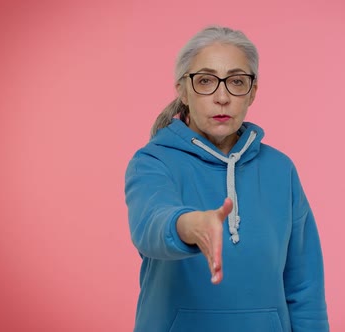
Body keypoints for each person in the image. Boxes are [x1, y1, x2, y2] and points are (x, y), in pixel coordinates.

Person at [124, 25, 329, 332]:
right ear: (182, 89)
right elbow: (150, 224)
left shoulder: (280, 169)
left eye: (236, 81)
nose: (222, 97)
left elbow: (305, 284)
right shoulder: (153, 161)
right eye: (205, 80)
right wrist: (191, 225)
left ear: (253, 92)